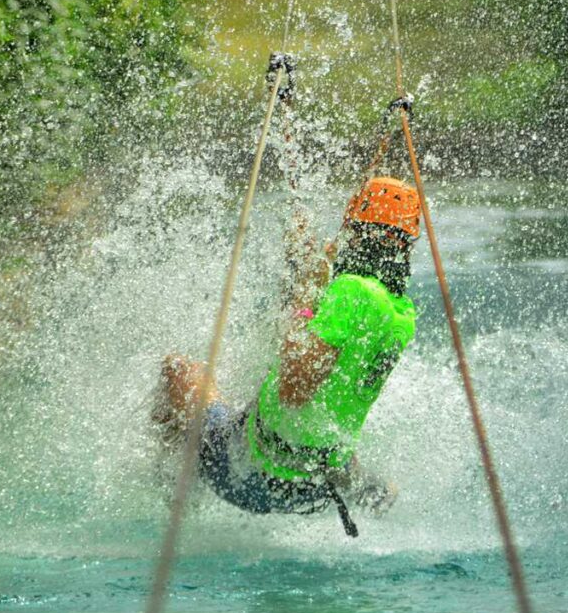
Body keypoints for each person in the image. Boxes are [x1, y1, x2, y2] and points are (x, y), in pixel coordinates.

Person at [152, 177, 421, 536]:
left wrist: (300, 297)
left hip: (252, 476)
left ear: (357, 234)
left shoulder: (350, 291)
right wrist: (307, 275)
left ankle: (180, 495)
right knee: (329, 424)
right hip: (318, 488)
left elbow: (293, 390)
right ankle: (372, 491)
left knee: (179, 370)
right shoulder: (401, 313)